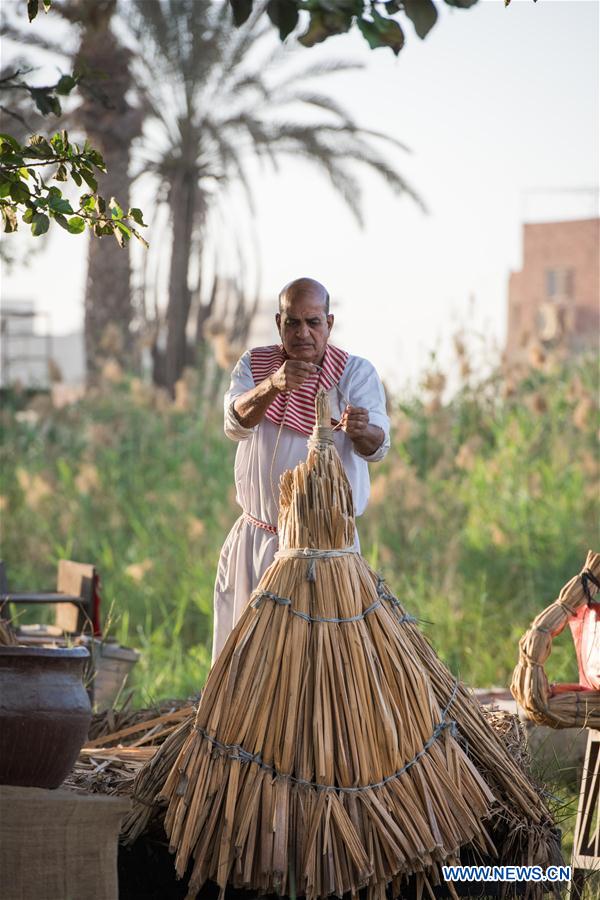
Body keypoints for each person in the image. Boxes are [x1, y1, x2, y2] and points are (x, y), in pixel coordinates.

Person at [211, 277, 391, 662]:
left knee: (326, 667)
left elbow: (376, 446)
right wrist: (274, 385)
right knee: (245, 666)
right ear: (279, 323)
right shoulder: (255, 365)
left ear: (329, 323)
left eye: (313, 322)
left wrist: (362, 431)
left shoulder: (354, 374)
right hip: (257, 547)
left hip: (326, 555)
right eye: (293, 323)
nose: (303, 333)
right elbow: (234, 423)